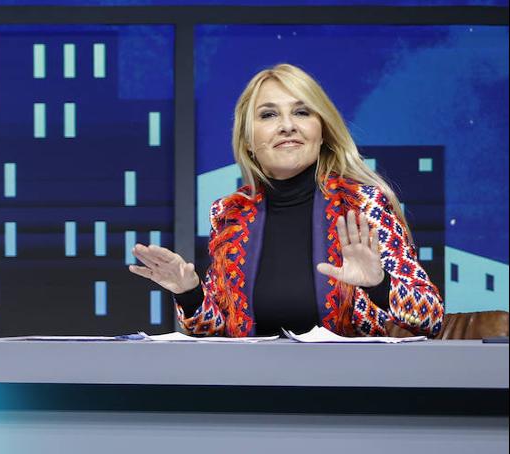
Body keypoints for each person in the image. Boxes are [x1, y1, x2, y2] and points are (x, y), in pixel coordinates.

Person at [129, 63, 443, 338]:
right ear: (249, 141)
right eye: (268, 114)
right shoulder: (228, 213)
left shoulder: (363, 204)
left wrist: (380, 284)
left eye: (301, 111)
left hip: (348, 386)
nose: (287, 125)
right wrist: (190, 294)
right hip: (251, 386)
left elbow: (431, 318)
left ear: (322, 133)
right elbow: (219, 328)